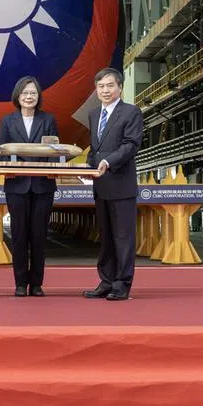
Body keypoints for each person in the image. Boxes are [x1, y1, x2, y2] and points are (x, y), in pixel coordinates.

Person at [82, 67, 143, 301]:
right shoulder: (94, 114)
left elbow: (130, 145)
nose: (105, 90)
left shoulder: (131, 112)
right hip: (101, 186)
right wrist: (88, 166)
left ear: (120, 87)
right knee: (106, 237)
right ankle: (106, 281)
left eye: (110, 85)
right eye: (101, 86)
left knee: (123, 238)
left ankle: (122, 284)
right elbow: (95, 147)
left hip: (121, 185)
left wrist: (108, 162)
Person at [0, 76, 58, 297]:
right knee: (19, 235)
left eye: (33, 93)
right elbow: (1, 152)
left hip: (43, 186)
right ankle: (21, 283)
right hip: (17, 185)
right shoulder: (7, 121)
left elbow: (54, 150)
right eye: (25, 93)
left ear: (38, 96)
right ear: (18, 96)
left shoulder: (48, 119)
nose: (29, 97)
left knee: (39, 236)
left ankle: (37, 284)